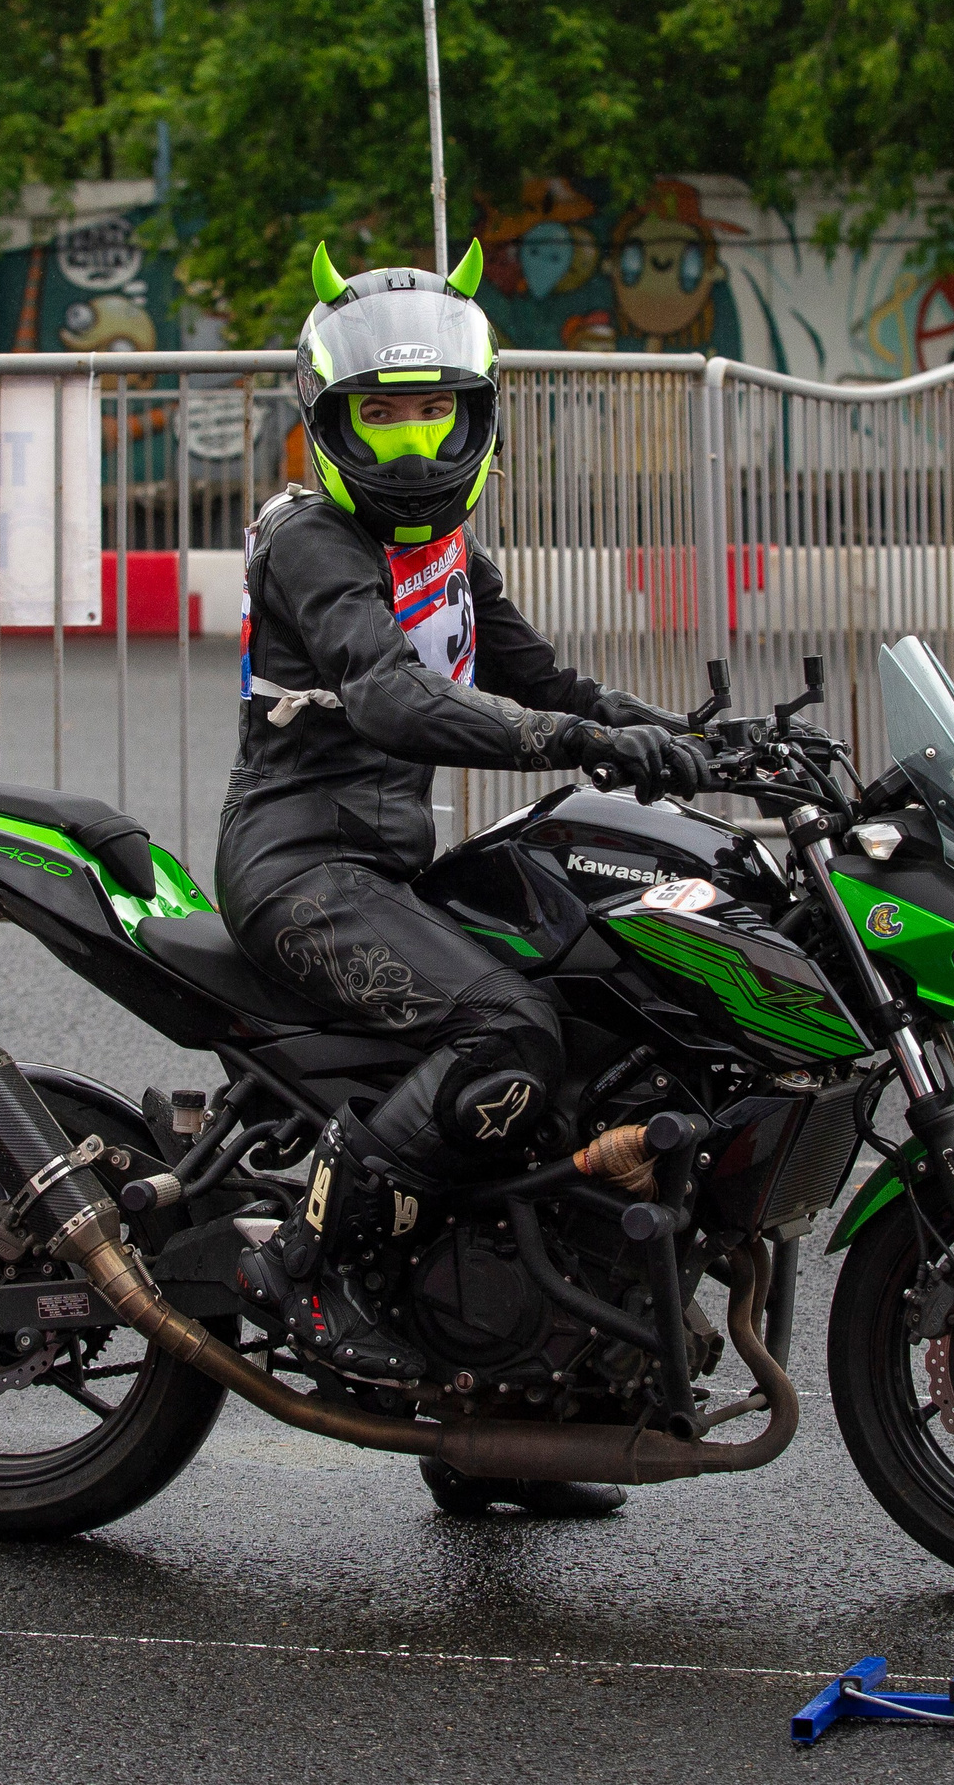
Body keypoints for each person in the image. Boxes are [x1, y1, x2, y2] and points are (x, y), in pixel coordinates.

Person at [218, 239, 705, 1512]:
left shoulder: (447, 553)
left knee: (590, 1033)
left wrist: (698, 744)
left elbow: (550, 682)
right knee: (507, 1027)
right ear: (330, 421)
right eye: (382, 412)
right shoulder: (311, 545)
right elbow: (391, 695)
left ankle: (498, 1419)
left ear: (476, 411)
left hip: (387, 867)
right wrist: (585, 744)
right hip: (301, 870)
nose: (412, 440)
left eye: (433, 407)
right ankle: (303, 1268)